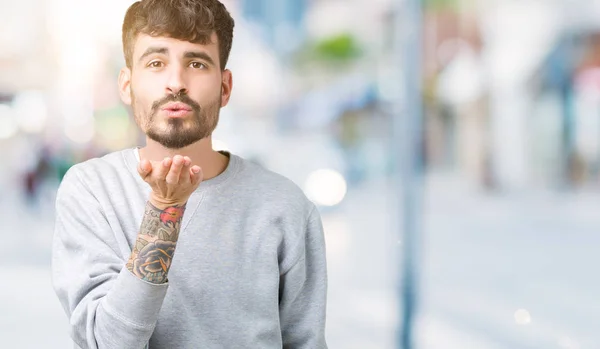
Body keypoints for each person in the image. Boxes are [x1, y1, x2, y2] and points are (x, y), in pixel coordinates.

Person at [51, 1, 328, 348]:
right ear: (126, 84)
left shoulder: (286, 206)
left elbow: (306, 341)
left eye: (196, 63)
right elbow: (106, 343)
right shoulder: (90, 190)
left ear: (225, 87)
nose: (176, 82)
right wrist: (165, 208)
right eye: (156, 63)